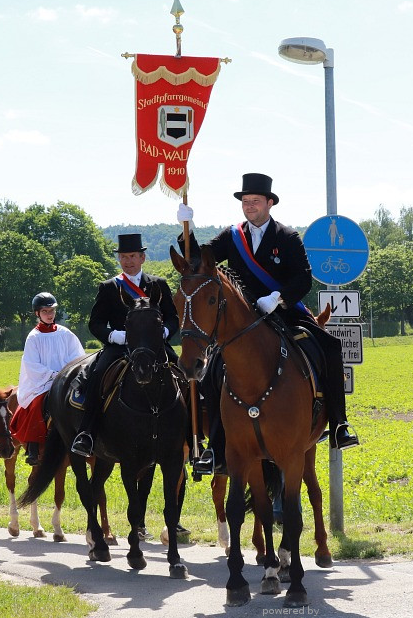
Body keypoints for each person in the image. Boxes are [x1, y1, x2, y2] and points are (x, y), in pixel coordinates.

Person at [176, 174, 360, 475]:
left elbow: (303, 277)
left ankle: (339, 423)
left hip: (283, 311)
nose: (249, 206)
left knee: (329, 346)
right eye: (245, 202)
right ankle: (215, 446)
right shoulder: (231, 236)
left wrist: (278, 298)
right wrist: (187, 231)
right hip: (241, 322)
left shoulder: (287, 237)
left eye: (255, 201)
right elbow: (199, 262)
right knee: (213, 369)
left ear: (269, 203)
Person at [71, 233, 179, 458]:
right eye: (123, 257)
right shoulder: (109, 287)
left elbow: (172, 317)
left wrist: (165, 332)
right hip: (120, 346)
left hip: (154, 346)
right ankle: (87, 433)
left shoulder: (158, 284)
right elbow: (96, 323)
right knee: (98, 374)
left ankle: (190, 432)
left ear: (142, 258)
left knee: (183, 372)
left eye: (132, 256)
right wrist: (113, 336)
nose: (128, 261)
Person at [12, 293, 85, 465]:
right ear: (37, 313)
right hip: (43, 382)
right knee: (38, 403)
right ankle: (34, 447)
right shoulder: (33, 337)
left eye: (51, 310)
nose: (49, 314)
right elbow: (32, 364)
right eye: (45, 311)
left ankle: (87, 437)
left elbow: (78, 355)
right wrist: (53, 375)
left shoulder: (65, 333)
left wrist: (68, 372)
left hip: (67, 378)